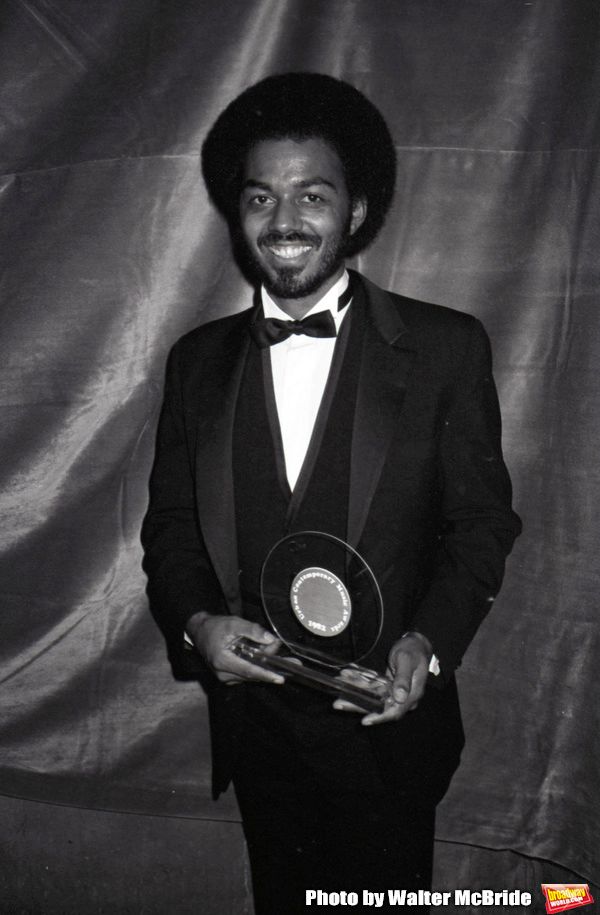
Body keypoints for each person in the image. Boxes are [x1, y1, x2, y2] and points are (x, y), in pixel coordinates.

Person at [141, 73, 521, 914]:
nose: (284, 222)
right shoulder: (195, 362)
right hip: (257, 727)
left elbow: (480, 524)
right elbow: (169, 528)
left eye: (312, 195)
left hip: (386, 728)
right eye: (261, 198)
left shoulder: (446, 347)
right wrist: (201, 626)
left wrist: (427, 643)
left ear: (354, 211)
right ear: (237, 215)